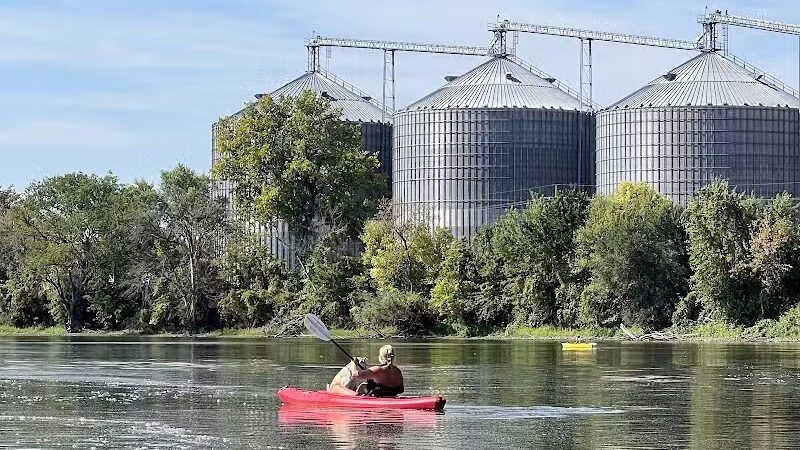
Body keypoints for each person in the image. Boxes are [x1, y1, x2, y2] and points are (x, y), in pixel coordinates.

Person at [328, 344, 404, 397]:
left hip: (377, 398)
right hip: (393, 396)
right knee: (363, 386)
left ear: (380, 357)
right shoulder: (398, 371)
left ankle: (357, 397)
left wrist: (355, 364)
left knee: (336, 387)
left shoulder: (377, 370)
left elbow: (355, 375)